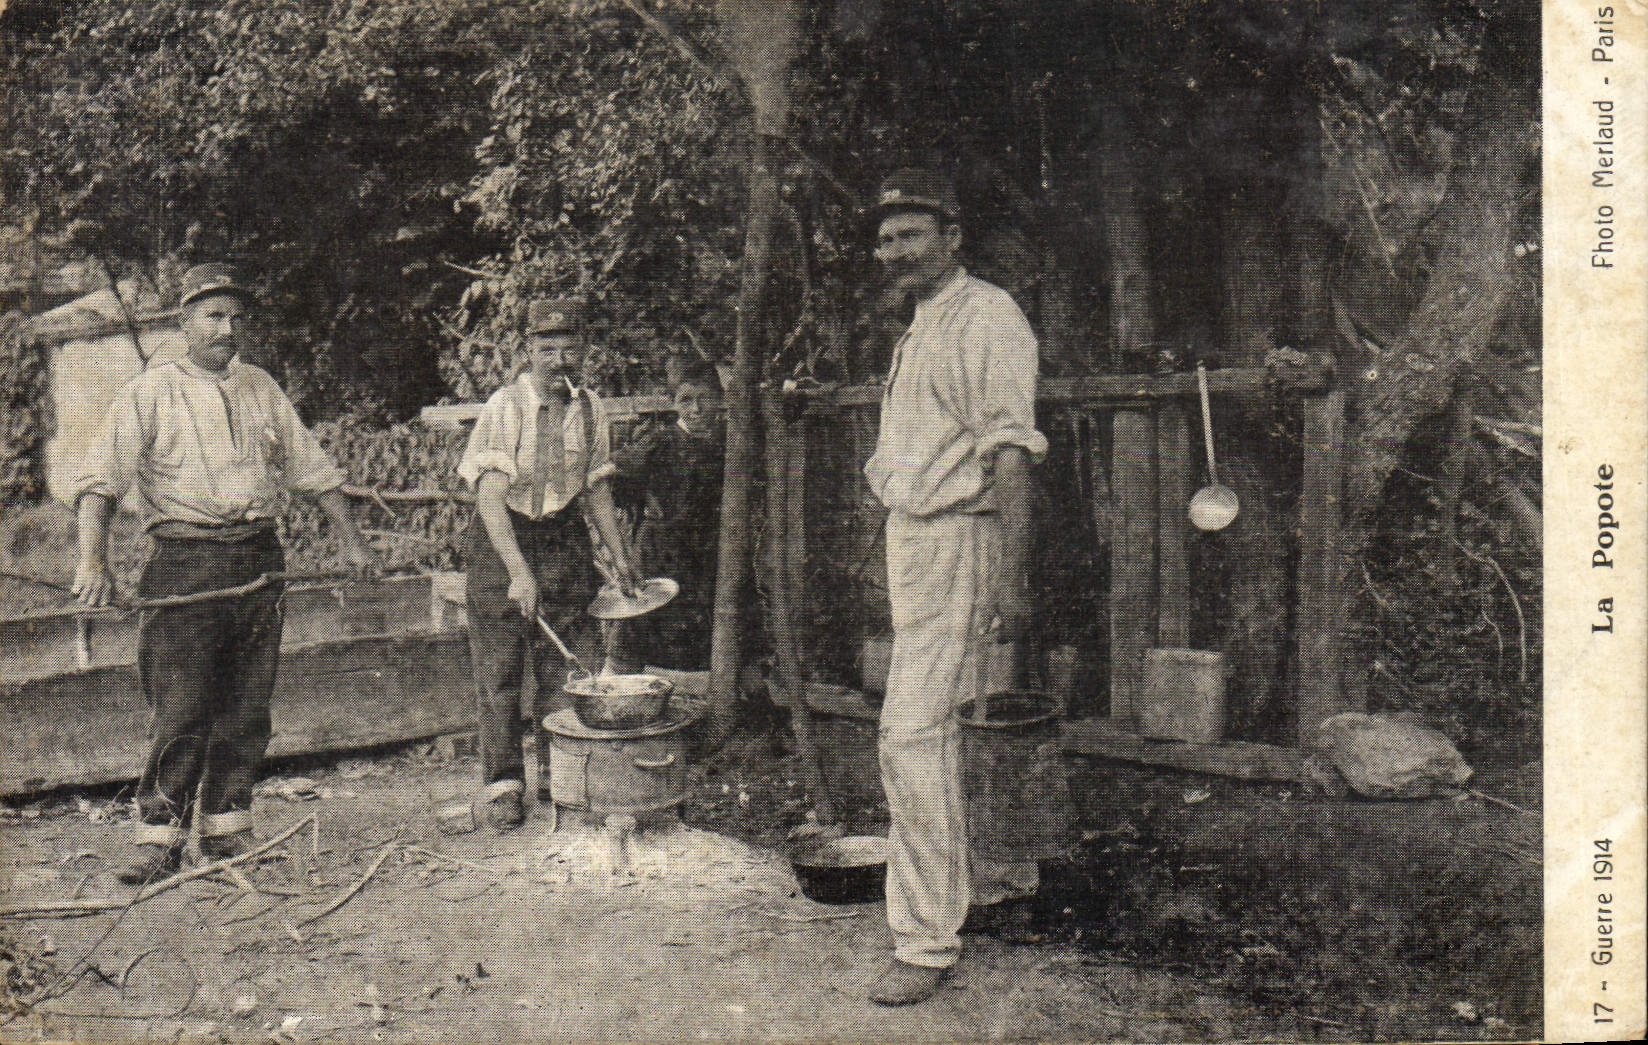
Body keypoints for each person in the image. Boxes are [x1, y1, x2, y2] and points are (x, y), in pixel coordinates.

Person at [71, 261, 373, 885]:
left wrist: (354, 545)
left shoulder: (260, 387)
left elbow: (314, 470)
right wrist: (91, 560)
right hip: (184, 563)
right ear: (183, 322)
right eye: (213, 315)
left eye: (236, 317)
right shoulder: (151, 390)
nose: (226, 328)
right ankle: (159, 837)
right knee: (182, 707)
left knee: (247, 705)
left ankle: (227, 829)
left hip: (259, 559)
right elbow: (98, 484)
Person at [862, 169, 1048, 1005]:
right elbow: (916, 455)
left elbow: (1010, 452)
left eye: (909, 234)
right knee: (935, 729)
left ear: (952, 236)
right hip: (915, 542)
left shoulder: (989, 316)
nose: (892, 249)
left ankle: (927, 941)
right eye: (885, 237)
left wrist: (1011, 574)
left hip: (959, 541)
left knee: (910, 734)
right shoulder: (921, 323)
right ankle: (971, 891)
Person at [457, 296, 642, 830]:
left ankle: (561, 776)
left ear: (583, 352)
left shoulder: (590, 408)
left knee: (567, 661)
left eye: (569, 349)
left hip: (561, 538)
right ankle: (503, 785)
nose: (559, 361)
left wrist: (619, 555)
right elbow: (490, 497)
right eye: (547, 349)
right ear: (528, 352)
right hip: (501, 539)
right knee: (501, 666)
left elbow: (596, 493)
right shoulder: (503, 408)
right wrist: (518, 572)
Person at [607, 360, 725, 671]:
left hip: (712, 549)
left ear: (721, 399)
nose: (697, 409)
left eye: (706, 398)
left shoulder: (729, 441)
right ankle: (616, 690)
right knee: (640, 624)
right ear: (674, 403)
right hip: (662, 549)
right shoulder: (661, 440)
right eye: (686, 399)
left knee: (716, 623)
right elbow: (615, 475)